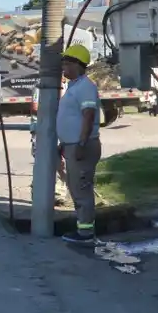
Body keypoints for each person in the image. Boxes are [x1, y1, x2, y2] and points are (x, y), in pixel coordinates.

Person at [56, 43, 102, 245]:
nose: (64, 67)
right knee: (76, 188)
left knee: (81, 189)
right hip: (73, 145)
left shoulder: (85, 87)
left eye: (67, 63)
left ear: (78, 65)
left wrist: (81, 144)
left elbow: (88, 115)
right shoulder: (75, 86)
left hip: (82, 146)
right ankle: (83, 228)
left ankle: (85, 233)